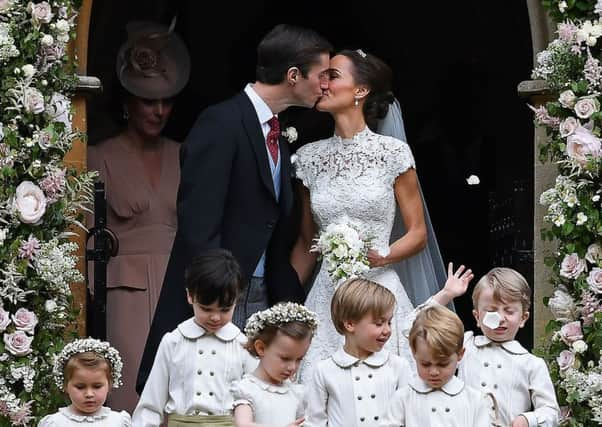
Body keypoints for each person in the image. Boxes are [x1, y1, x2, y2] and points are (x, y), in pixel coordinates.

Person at [137, 24, 332, 394]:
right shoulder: (221, 122)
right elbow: (199, 220)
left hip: (263, 291)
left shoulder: (279, 132)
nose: (325, 84)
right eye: (322, 75)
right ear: (293, 76)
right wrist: (217, 295)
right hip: (222, 294)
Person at [292, 49, 452, 378]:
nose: (323, 83)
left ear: (361, 91)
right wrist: (288, 300)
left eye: (333, 76)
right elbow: (307, 241)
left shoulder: (393, 154)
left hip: (380, 292)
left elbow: (418, 232)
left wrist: (382, 255)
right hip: (327, 295)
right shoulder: (308, 159)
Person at [87, 19, 190, 412]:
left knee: (180, 398)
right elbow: (81, 238)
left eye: (166, 102)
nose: (159, 110)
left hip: (179, 291)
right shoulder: (99, 156)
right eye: (149, 101)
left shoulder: (185, 154)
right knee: (128, 395)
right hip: (121, 294)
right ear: (127, 102)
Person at [304, 265, 472, 427]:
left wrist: (445, 294)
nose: (387, 330)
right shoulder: (325, 371)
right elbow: (315, 421)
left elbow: (412, 414)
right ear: (349, 324)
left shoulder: (398, 366)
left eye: (389, 322)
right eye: (379, 323)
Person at [132, 249, 257, 426]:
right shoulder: (173, 341)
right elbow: (151, 403)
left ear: (237, 300)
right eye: (206, 309)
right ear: (190, 296)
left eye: (224, 310)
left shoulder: (243, 345)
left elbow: (256, 399)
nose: (215, 317)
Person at [457, 267, 559, 427]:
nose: (500, 318)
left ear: (523, 318)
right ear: (477, 317)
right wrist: (446, 295)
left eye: (509, 311)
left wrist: (528, 419)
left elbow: (551, 411)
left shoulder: (532, 364)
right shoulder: (464, 345)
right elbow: (416, 335)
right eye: (491, 310)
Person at [381, 305, 493, 427]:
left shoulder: (474, 400)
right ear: (414, 352)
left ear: (460, 354)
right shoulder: (403, 398)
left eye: (442, 364)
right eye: (425, 364)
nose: (434, 372)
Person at [231, 302, 318, 427]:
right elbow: (243, 424)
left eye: (299, 359)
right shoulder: (247, 390)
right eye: (285, 358)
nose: (292, 367)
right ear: (261, 348)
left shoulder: (295, 393)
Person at [39, 338, 131, 426]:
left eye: (97, 386)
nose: (89, 394)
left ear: (109, 384)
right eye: (80, 387)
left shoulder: (118, 422)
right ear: (65, 385)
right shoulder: (54, 423)